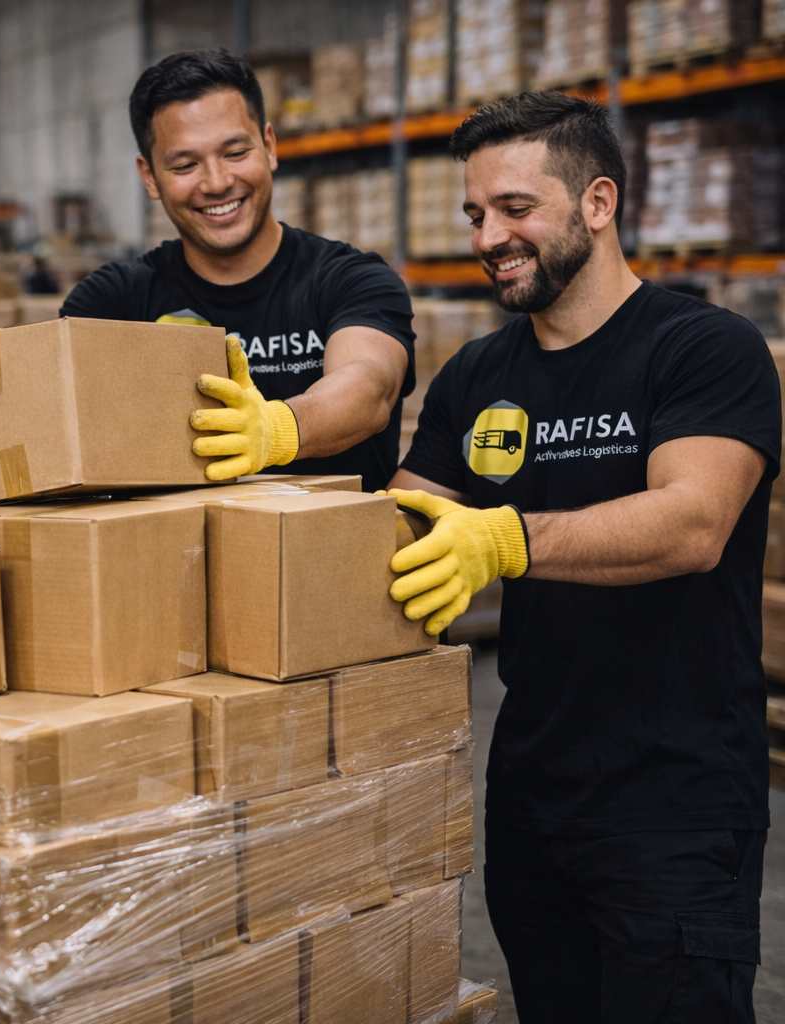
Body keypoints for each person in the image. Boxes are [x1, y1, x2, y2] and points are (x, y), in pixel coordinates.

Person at [385, 92, 777, 1023]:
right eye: (476, 214)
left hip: (674, 798)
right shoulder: (478, 375)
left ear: (598, 204)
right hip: (532, 790)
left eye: (516, 209)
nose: (490, 235)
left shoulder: (700, 347)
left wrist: (507, 536)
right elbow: (400, 525)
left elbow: (693, 523)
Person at [60, 48, 416, 492]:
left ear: (269, 146)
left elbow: (369, 387)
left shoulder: (350, 279)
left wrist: (276, 428)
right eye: (185, 165)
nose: (216, 182)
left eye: (235, 152)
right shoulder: (112, 303)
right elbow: (53, 425)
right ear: (149, 176)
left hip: (329, 558)